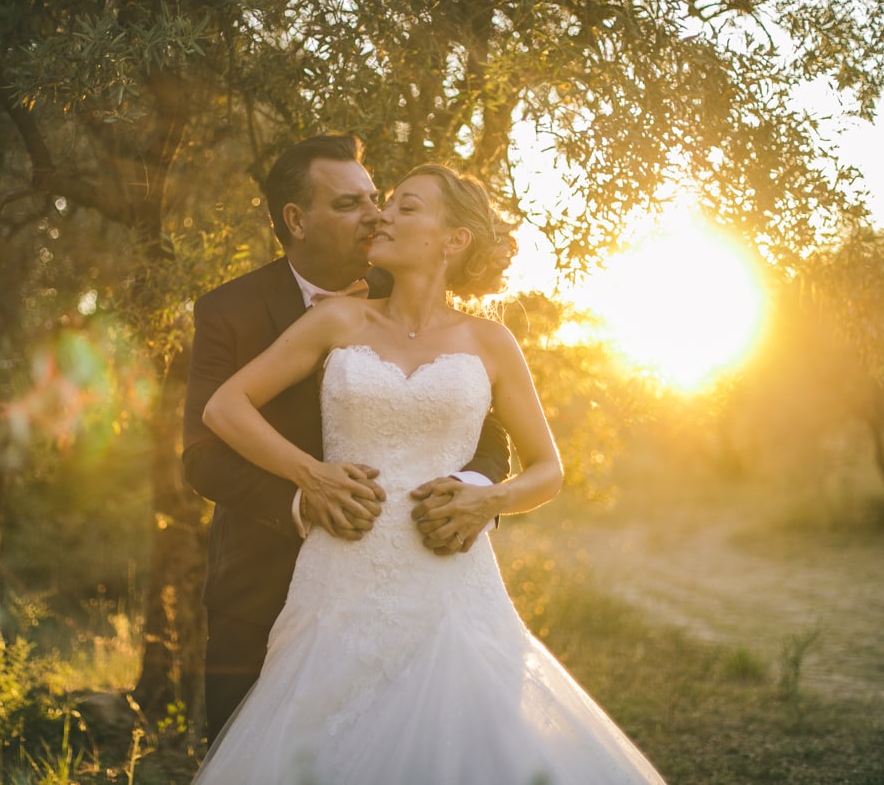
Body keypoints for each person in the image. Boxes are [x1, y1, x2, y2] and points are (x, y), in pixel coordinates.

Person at [191, 164, 666, 784]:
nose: (383, 216)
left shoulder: (491, 342)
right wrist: (311, 475)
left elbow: (547, 469)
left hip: (450, 584)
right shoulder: (339, 321)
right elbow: (223, 407)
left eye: (406, 207)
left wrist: (487, 499)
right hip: (340, 581)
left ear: (454, 240)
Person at [181, 135, 510, 743]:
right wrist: (306, 488)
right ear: (297, 221)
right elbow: (202, 457)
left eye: (376, 200)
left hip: (418, 576)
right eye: (349, 205)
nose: (374, 216)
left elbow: (487, 438)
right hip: (259, 586)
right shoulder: (229, 311)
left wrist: (470, 493)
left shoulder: (418, 301)